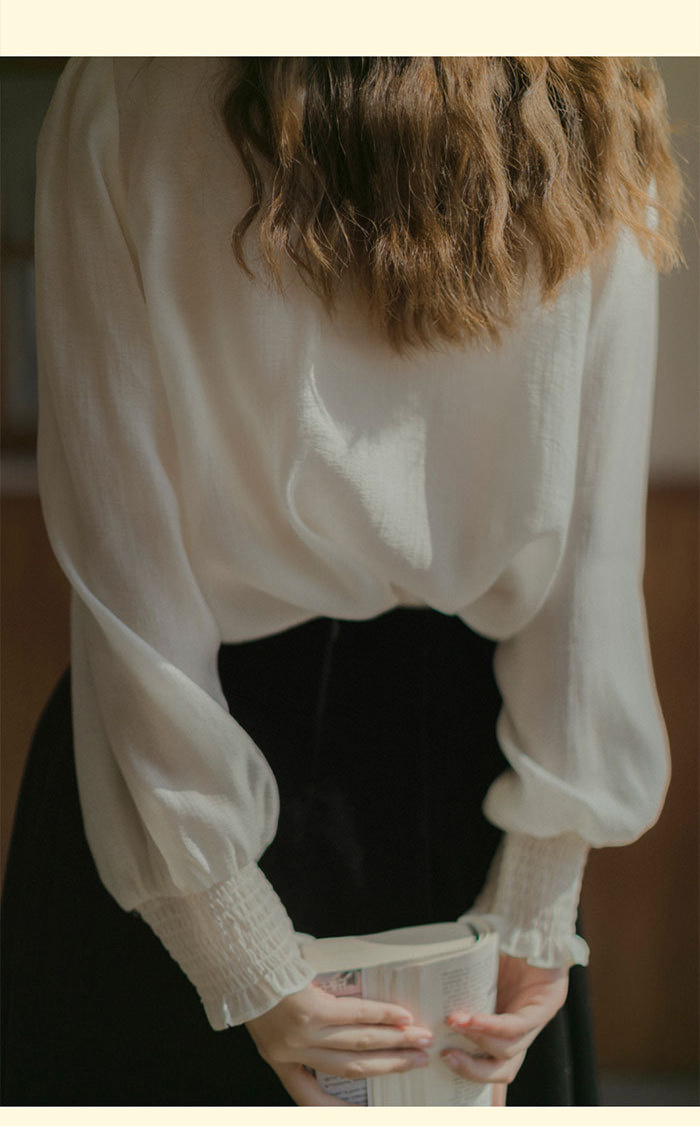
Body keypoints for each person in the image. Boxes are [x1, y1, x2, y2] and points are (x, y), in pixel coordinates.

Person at [0, 57, 685, 1107]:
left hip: (188, 765)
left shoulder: (130, 82)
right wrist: (532, 903)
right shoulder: (591, 85)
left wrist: (235, 942)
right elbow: (588, 554)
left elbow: (123, 564)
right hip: (439, 774)